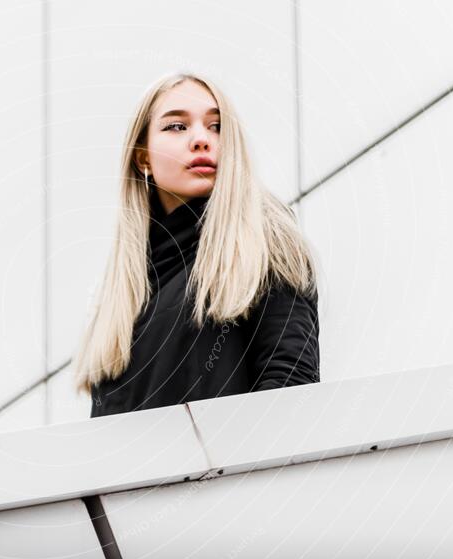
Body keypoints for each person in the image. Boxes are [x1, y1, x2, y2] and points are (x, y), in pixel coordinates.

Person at [71, 72, 320, 418]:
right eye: (176, 126)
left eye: (217, 126)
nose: (202, 139)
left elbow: (289, 388)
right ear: (142, 156)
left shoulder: (264, 240)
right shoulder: (119, 295)